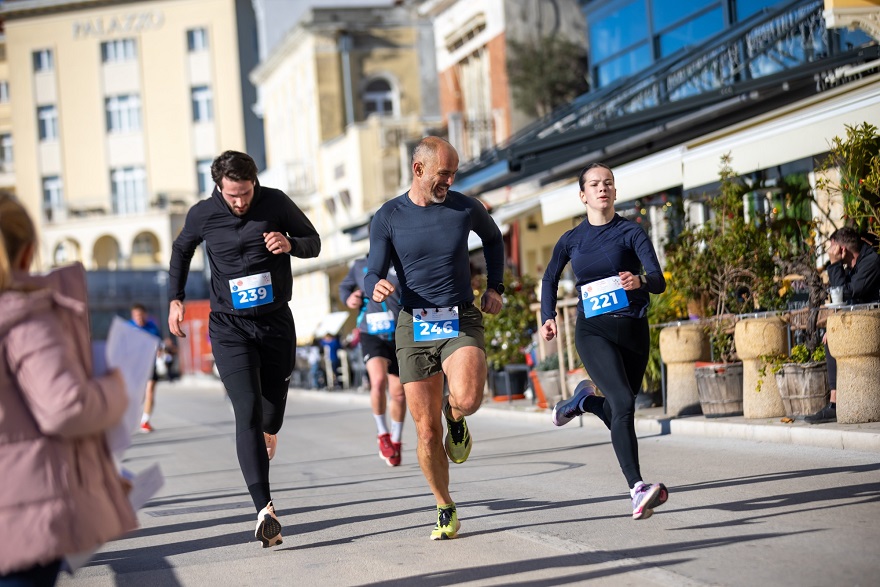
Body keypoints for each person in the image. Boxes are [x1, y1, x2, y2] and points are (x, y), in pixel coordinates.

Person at [167, 150, 320, 547]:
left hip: (275, 323)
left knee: (270, 414)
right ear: (219, 187)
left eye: (246, 193)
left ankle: (270, 429)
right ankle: (265, 510)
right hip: (229, 325)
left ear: (255, 182)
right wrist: (175, 298)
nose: (239, 202)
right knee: (247, 409)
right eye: (232, 195)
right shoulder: (203, 214)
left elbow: (314, 243)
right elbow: (181, 250)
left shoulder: (276, 202)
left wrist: (289, 243)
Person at [364, 136, 505, 540]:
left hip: (459, 317)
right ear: (419, 169)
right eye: (444, 173)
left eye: (454, 173)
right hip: (414, 326)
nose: (450, 181)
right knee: (425, 432)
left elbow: (493, 238)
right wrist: (375, 286)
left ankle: (455, 416)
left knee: (469, 398)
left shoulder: (464, 207)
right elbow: (373, 270)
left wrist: (495, 286)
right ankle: (444, 505)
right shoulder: (388, 216)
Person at [0, 192, 137, 585]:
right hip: (23, 519)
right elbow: (66, 407)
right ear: (28, 253)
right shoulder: (24, 316)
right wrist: (116, 388)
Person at [540, 163, 669, 521]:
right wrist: (548, 316)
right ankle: (637, 488)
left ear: (615, 191)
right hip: (593, 331)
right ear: (583, 195)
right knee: (624, 401)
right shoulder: (572, 240)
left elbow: (658, 280)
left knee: (618, 410)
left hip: (633, 330)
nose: (602, 188)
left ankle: (584, 402)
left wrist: (640, 282)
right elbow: (550, 278)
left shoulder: (631, 232)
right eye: (595, 184)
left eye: (608, 183)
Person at [806, 226, 880, 424]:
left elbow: (848, 292)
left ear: (842, 249)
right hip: (859, 320)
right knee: (830, 339)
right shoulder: (852, 265)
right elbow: (842, 297)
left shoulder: (871, 261)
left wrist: (834, 264)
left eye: (833, 247)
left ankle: (838, 404)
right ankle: (835, 403)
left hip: (873, 322)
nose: (830, 251)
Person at [340, 255, 406, 466]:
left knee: (399, 393)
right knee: (377, 381)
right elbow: (344, 288)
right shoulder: (360, 265)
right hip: (371, 332)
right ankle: (383, 434)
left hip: (400, 332)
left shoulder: (402, 260)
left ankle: (396, 440)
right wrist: (349, 298)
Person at [129, 303, 162, 432]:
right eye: (136, 315)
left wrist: (159, 350)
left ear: (145, 315)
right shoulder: (128, 328)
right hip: (134, 366)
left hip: (150, 363)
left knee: (150, 391)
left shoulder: (152, 327)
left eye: (141, 315)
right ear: (133, 316)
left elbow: (159, 343)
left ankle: (145, 421)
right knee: (138, 394)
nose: (139, 318)